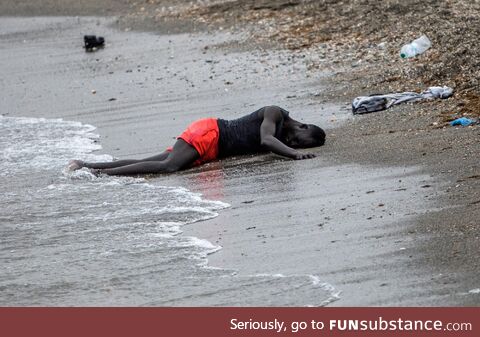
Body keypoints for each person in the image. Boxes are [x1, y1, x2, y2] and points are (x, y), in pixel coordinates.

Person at [69, 105, 326, 176]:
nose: (294, 144)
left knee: (153, 160)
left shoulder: (284, 136)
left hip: (211, 146)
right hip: (210, 132)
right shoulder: (275, 113)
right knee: (168, 166)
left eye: (297, 147)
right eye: (299, 141)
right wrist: (294, 156)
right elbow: (266, 139)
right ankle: (99, 175)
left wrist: (292, 150)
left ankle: (86, 166)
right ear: (303, 126)